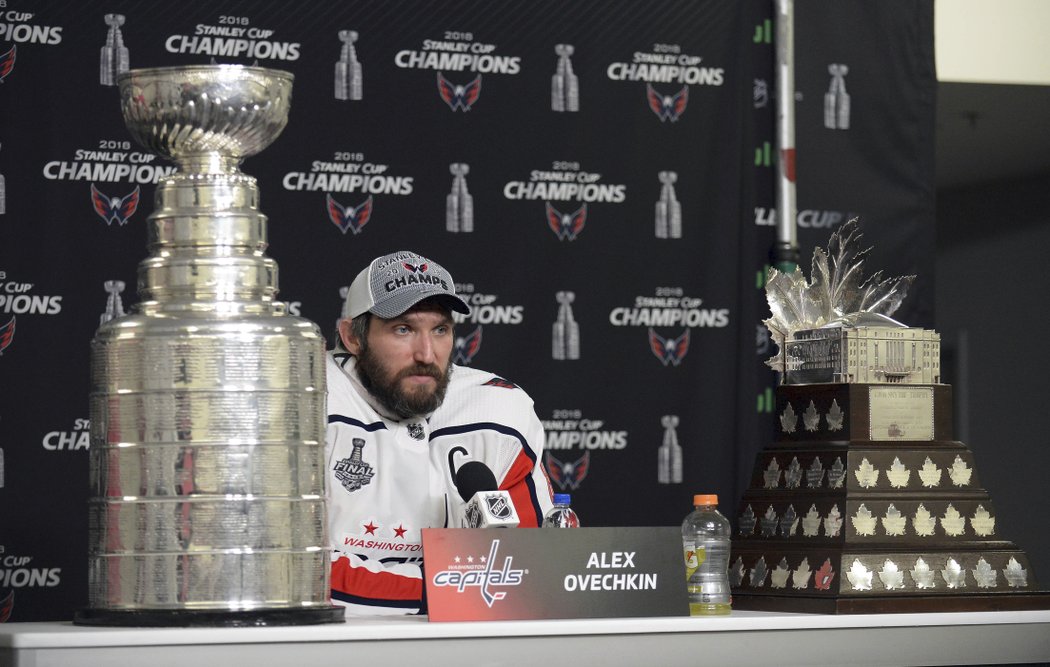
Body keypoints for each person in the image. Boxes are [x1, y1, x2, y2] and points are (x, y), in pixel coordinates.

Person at [325, 250, 554, 616]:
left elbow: (532, 567)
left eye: (440, 330)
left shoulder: (499, 408)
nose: (427, 354)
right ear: (353, 337)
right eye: (403, 329)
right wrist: (448, 591)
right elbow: (292, 573)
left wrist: (442, 590)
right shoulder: (306, 403)